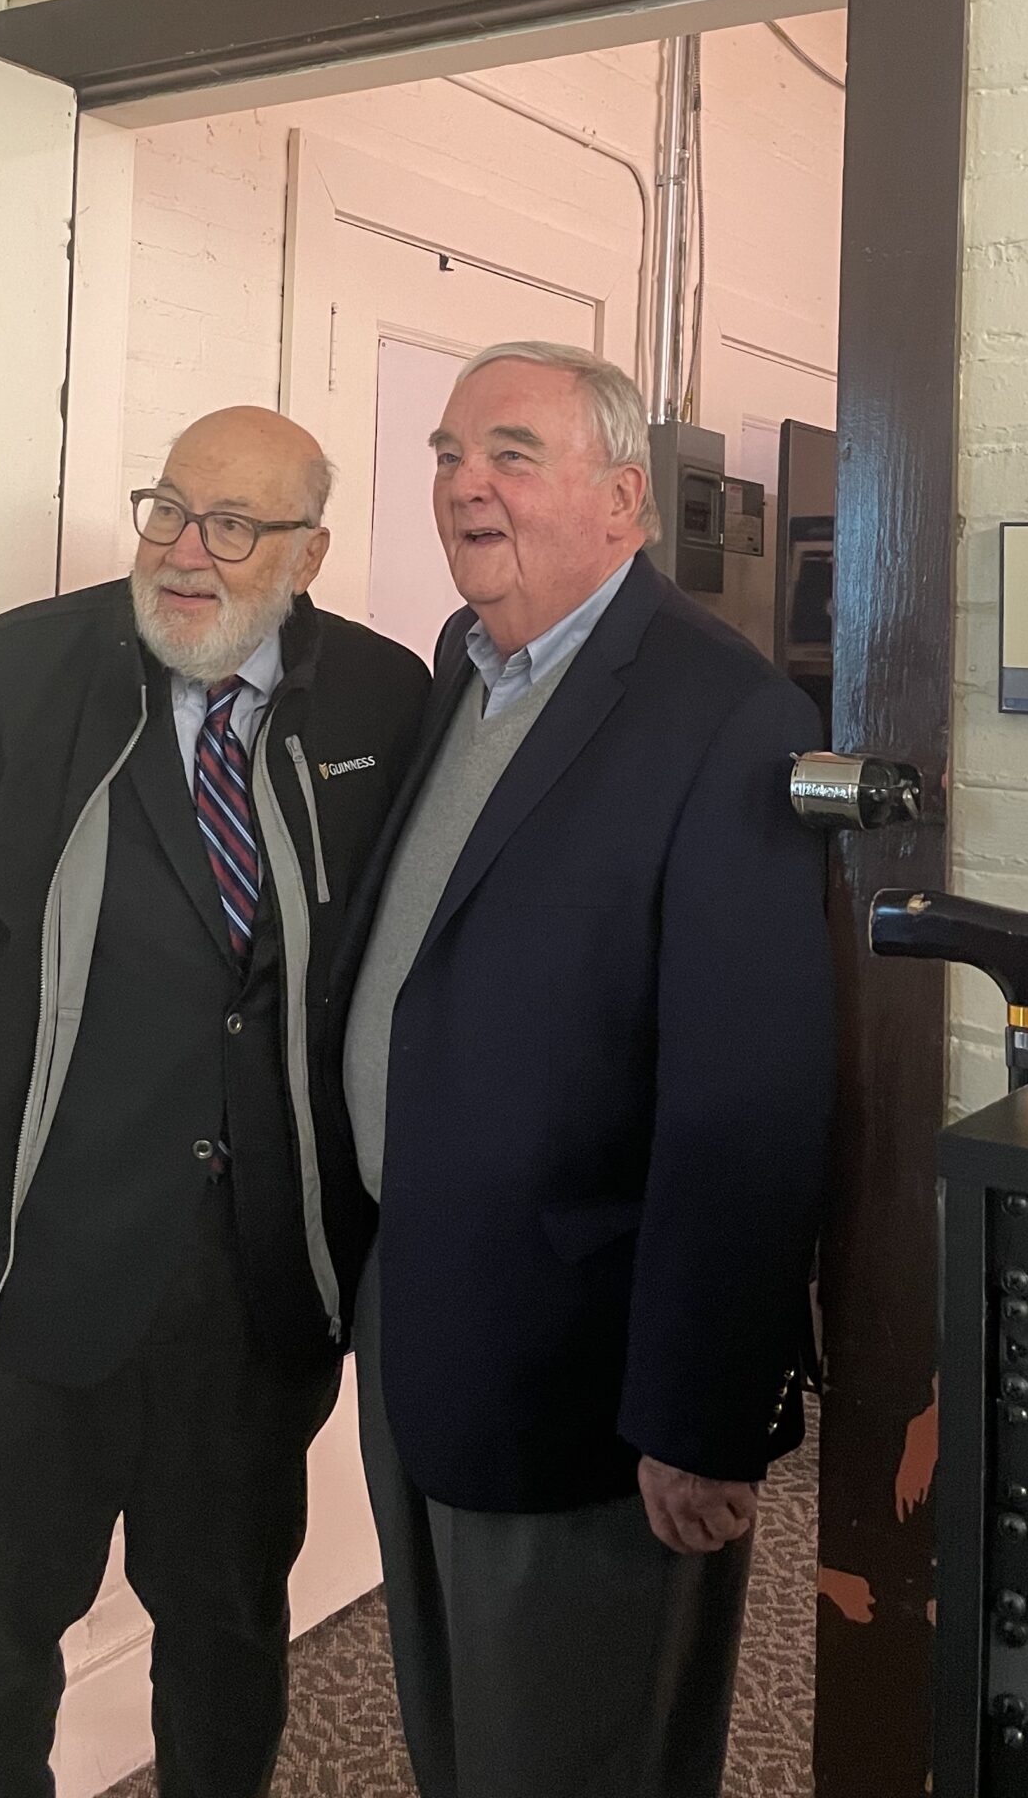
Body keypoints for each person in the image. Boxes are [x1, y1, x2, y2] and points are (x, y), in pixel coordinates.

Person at [0, 406, 430, 1798]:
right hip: (35, 1267)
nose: (189, 553)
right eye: (169, 509)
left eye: (235, 525)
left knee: (229, 1639)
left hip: (261, 1288)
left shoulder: (383, 703)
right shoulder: (21, 674)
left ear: (311, 551)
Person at [338, 340, 835, 1798]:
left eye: (510, 451)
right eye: (444, 452)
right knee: (456, 1734)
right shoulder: (465, 667)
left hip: (585, 1369)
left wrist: (699, 1416)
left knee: (579, 1756)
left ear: (626, 496)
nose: (462, 483)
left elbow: (748, 1096)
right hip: (423, 1318)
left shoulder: (724, 713)